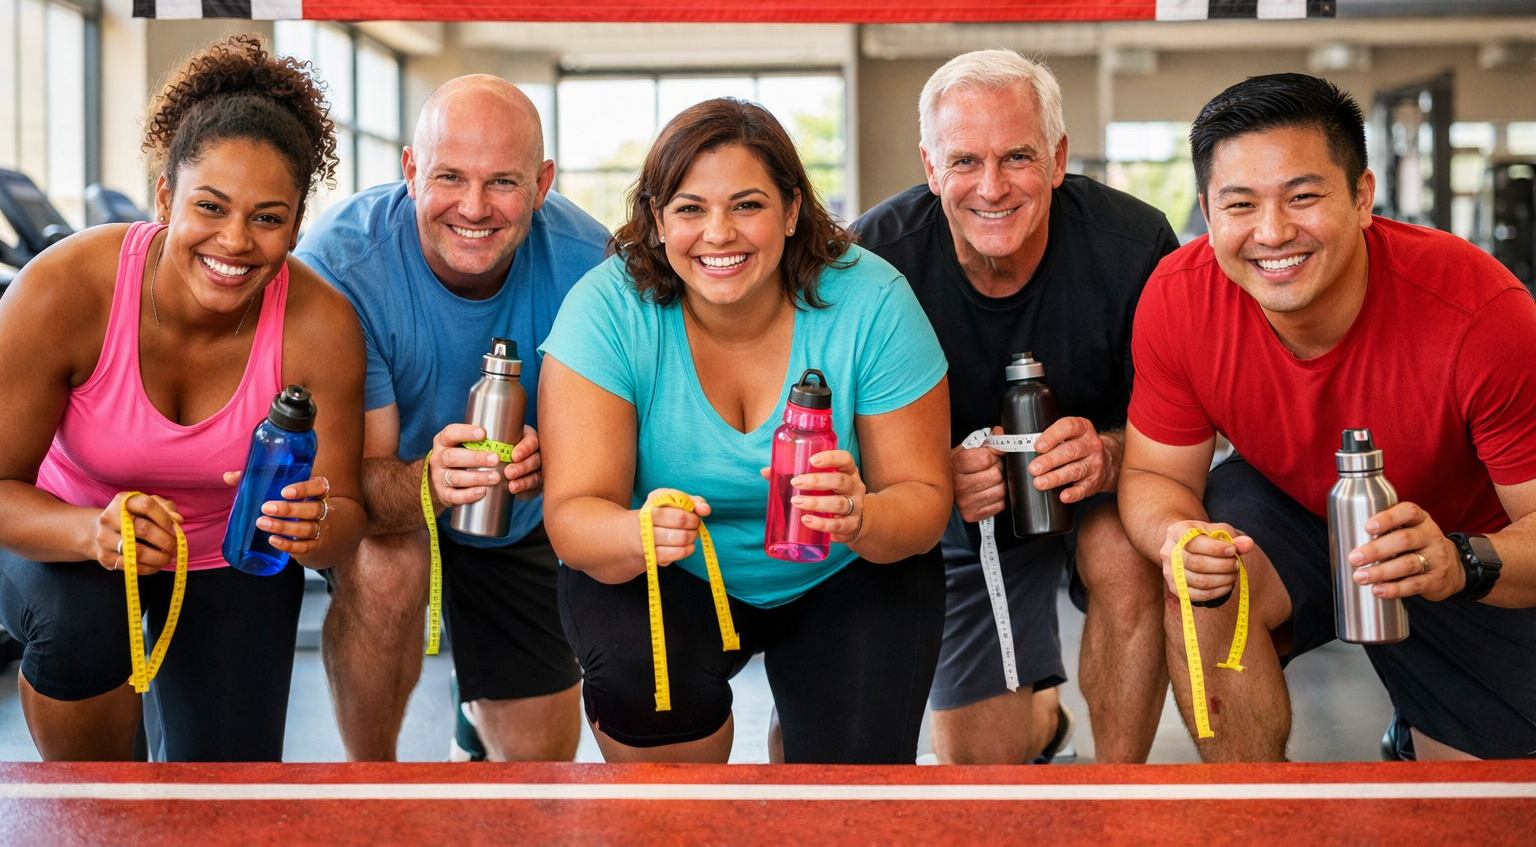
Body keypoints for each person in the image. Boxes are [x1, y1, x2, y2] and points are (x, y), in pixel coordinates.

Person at [1120, 73, 1536, 762]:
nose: (1273, 232)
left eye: (1303, 197)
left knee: (1489, 802)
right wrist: (1177, 535)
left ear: (1362, 197)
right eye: (1240, 204)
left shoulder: (1481, 314)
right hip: (1290, 510)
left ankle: (1418, 724)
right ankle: (1252, 808)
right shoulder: (1178, 298)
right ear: (1207, 213)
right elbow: (1154, 476)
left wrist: (1458, 561)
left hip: (1455, 547)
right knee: (1205, 581)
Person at [539, 98, 952, 764]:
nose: (719, 233)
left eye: (747, 205)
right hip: (670, 573)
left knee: (844, 793)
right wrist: (637, 532)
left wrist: (862, 515)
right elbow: (573, 514)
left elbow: (925, 498)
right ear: (657, 220)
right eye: (690, 208)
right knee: (656, 732)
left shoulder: (872, 300)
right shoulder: (608, 308)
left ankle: (808, 723)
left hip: (843, 569)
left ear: (791, 211)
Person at [0, 34, 367, 762]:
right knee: (84, 624)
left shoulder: (322, 326)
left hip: (231, 557)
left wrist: (314, 527)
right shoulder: (64, 289)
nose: (235, 242)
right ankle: (93, 806)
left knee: (226, 797)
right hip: (65, 538)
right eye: (211, 206)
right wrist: (89, 532)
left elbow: (346, 518)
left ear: (296, 224)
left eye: (268, 218)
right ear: (165, 196)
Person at [854, 50, 1180, 765]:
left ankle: (1115, 794)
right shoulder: (872, 262)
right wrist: (927, 474)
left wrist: (1109, 455)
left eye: (1018, 157)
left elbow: (1191, 424)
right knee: (980, 770)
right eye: (965, 161)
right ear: (931, 167)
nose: (992, 187)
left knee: (1127, 558)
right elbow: (841, 440)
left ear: (1058, 159)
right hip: (965, 512)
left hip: (1105, 490)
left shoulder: (1135, 246)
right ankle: (1043, 721)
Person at [296, 75, 609, 762]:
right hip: (387, 497)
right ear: (411, 171)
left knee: (538, 775)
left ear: (542, 183)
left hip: (517, 516)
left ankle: (476, 713)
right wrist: (432, 482)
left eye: (502, 182)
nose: (474, 207)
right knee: (389, 572)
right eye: (449, 177)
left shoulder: (593, 268)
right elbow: (353, 483)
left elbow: (610, 453)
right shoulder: (340, 267)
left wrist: (556, 463)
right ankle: (371, 781)